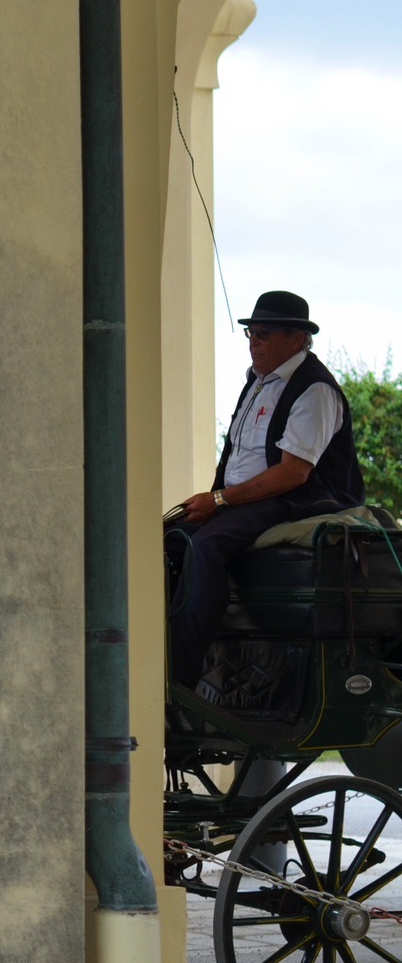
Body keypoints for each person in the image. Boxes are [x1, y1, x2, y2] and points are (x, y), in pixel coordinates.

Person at [169, 290, 364, 689]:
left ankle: (182, 679)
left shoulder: (315, 390)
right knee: (168, 538)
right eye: (251, 333)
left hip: (302, 499)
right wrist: (217, 496)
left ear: (297, 340)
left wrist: (220, 500)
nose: (254, 342)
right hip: (252, 498)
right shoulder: (258, 382)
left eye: (264, 333)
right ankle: (162, 650)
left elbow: (293, 473)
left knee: (207, 545)